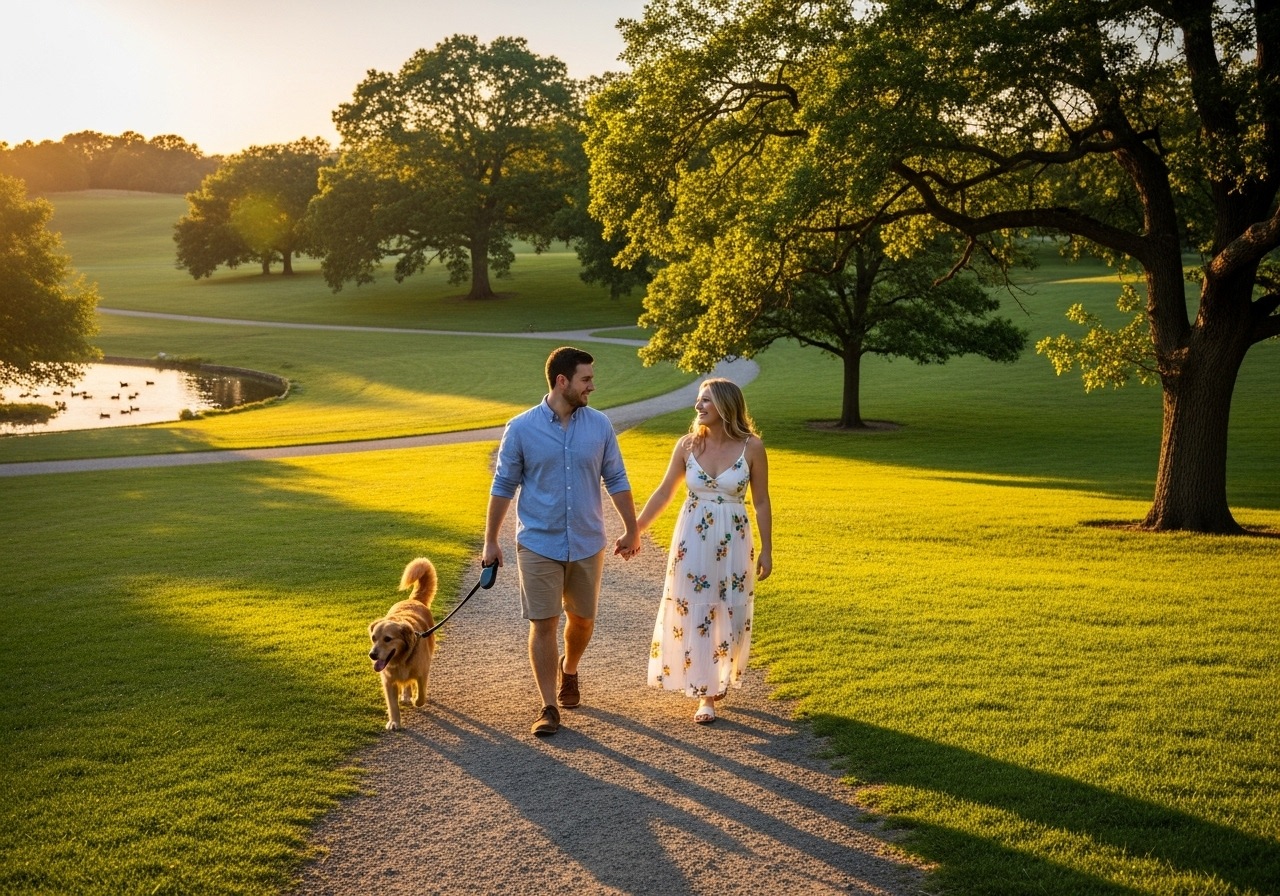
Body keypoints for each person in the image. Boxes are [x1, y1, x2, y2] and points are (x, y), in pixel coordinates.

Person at [483, 346, 640, 737]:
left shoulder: (600, 425)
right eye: (586, 379)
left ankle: (569, 668)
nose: (592, 386)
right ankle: (548, 706)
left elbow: (616, 479)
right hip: (538, 542)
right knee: (544, 622)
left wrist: (632, 529)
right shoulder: (521, 428)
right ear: (562, 381)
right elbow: (503, 486)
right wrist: (491, 541)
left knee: (583, 619)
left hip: (587, 541)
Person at [632, 377, 772, 724]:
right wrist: (635, 530)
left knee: (731, 612)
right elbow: (665, 492)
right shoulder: (687, 445)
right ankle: (705, 694)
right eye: (698, 399)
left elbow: (761, 501)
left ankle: (718, 674)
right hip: (692, 539)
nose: (698, 406)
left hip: (734, 539)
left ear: (725, 405)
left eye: (706, 400)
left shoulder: (752, 447)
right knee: (696, 608)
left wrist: (767, 550)